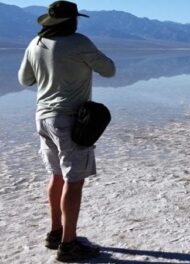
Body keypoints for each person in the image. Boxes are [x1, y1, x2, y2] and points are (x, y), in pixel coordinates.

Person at [18, 1, 116, 262]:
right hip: (70, 120)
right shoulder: (79, 42)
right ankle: (69, 245)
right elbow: (109, 70)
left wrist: (49, 70)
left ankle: (55, 232)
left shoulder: (35, 44)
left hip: (43, 118)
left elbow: (24, 80)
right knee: (74, 180)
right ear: (72, 21)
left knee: (56, 175)